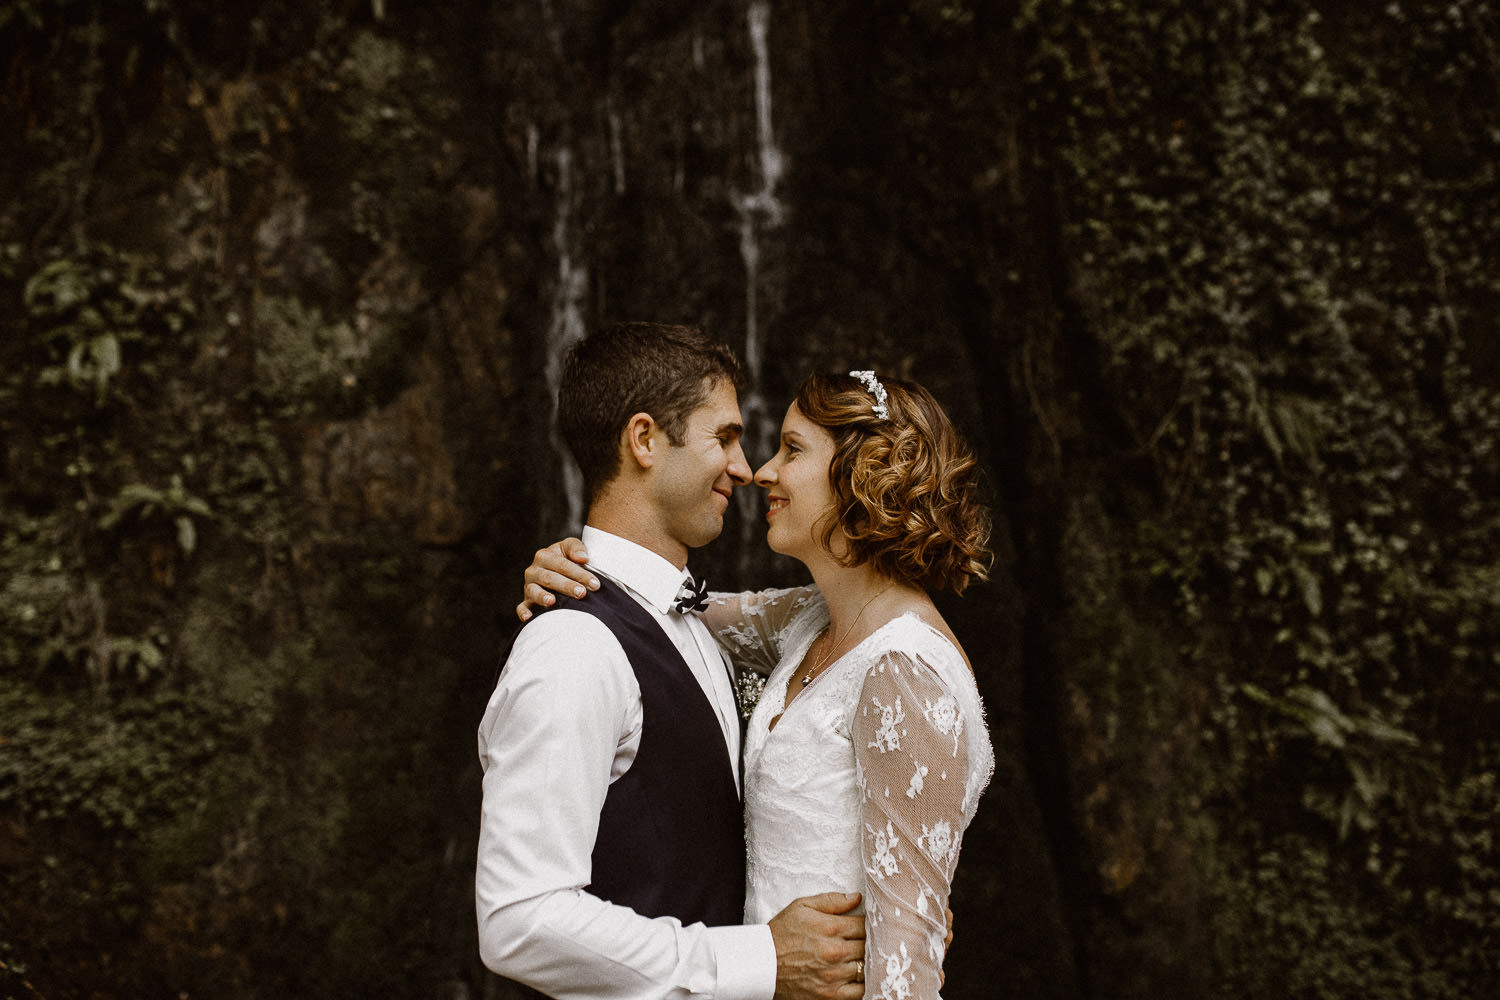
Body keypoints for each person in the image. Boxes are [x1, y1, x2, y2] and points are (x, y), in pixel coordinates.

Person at [523, 369, 996, 999]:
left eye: (793, 450)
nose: (762, 472)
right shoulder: (806, 621)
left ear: (864, 472)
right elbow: (662, 610)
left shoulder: (904, 670)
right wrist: (575, 567)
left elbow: (905, 965)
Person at [476, 322, 868, 1000]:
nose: (746, 469)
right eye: (724, 438)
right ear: (645, 439)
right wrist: (760, 961)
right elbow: (519, 919)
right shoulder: (573, 647)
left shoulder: (701, 624)